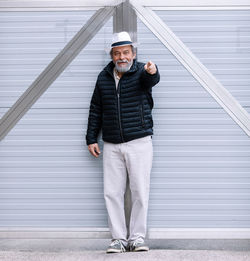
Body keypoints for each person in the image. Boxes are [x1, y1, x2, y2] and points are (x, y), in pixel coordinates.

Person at [86, 31, 160, 253]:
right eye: (117, 53)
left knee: (139, 191)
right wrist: (91, 138)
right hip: (112, 144)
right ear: (112, 55)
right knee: (112, 192)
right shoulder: (103, 77)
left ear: (133, 54)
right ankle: (118, 238)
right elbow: (96, 108)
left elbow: (152, 79)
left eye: (126, 52)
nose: (122, 57)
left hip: (139, 142)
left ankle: (137, 238)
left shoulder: (141, 72)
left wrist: (152, 70)